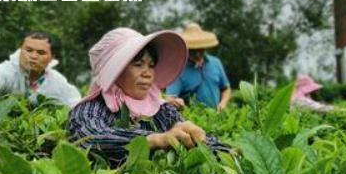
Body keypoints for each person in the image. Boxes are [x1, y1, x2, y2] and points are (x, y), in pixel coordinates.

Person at [68, 27, 228, 165]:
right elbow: (90, 137)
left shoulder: (161, 109)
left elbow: (185, 132)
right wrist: (155, 140)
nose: (148, 73)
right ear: (115, 72)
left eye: (151, 65)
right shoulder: (90, 109)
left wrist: (221, 148)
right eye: (138, 64)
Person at [0, 31, 81, 107]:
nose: (33, 56)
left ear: (52, 58)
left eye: (41, 52)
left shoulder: (57, 81)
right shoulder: (8, 71)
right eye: (28, 50)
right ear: (20, 50)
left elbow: (75, 103)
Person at [165, 23, 231, 111]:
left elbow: (226, 88)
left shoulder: (215, 62)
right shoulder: (178, 69)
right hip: (193, 118)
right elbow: (170, 97)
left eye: (200, 49)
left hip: (216, 116)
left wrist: (223, 104)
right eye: (193, 50)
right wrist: (175, 102)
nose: (197, 54)